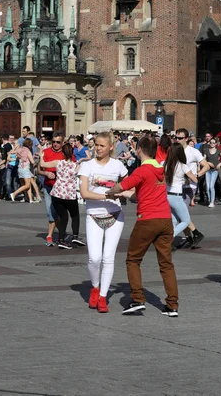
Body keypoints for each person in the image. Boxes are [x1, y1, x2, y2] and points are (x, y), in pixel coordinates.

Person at [105, 137, 180, 317]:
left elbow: (122, 185)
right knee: (166, 263)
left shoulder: (142, 170)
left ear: (139, 150)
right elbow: (141, 193)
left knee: (133, 259)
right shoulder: (160, 170)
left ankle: (137, 299)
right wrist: (125, 193)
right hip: (165, 220)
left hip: (147, 220)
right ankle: (172, 305)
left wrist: (109, 191)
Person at [79, 132, 128, 313]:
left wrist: (123, 193)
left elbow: (126, 184)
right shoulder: (87, 166)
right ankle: (95, 286)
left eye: (101, 145)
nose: (98, 148)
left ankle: (102, 296)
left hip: (115, 216)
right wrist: (108, 194)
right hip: (93, 215)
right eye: (96, 145)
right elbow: (85, 193)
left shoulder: (118, 166)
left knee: (108, 258)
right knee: (94, 258)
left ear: (110, 147)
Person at [41, 143, 84, 249]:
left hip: (57, 194)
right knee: (75, 216)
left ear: (62, 153)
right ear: (72, 153)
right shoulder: (76, 166)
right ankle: (75, 236)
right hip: (69, 195)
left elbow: (43, 164)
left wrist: (41, 155)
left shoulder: (58, 162)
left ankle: (61, 239)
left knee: (63, 216)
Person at [176, 128, 209, 248]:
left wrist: (197, 175)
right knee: (180, 214)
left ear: (186, 139)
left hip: (189, 186)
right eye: (176, 137)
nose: (177, 140)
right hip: (177, 186)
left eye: (180, 138)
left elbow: (206, 166)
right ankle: (191, 236)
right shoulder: (175, 150)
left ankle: (195, 234)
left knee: (181, 213)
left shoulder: (193, 151)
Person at [165, 142, 198, 248]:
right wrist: (185, 179)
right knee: (185, 220)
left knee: (174, 219)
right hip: (177, 196)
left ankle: (169, 243)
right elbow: (195, 179)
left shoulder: (165, 164)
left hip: (167, 195)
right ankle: (170, 236)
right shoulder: (183, 166)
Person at [39, 132, 67, 247]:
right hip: (48, 186)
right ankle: (52, 235)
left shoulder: (66, 154)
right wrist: (46, 173)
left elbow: (73, 167)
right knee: (50, 211)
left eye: (58, 142)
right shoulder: (45, 152)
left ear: (62, 143)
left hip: (61, 188)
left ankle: (56, 234)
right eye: (53, 142)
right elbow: (39, 170)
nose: (55, 144)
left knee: (59, 213)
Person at [10, 138, 38, 203]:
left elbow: (14, 154)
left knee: (25, 184)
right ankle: (14, 194)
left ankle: (29, 199)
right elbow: (32, 161)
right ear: (30, 145)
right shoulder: (28, 151)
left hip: (20, 168)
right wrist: (35, 160)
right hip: (25, 168)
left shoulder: (20, 149)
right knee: (27, 185)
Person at [204, 138, 221, 208]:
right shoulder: (206, 151)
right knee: (207, 187)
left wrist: (220, 164)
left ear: (216, 144)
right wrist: (207, 162)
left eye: (213, 142)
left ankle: (212, 202)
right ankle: (209, 200)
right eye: (211, 142)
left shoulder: (218, 151)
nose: (212, 144)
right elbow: (203, 159)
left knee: (211, 186)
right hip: (208, 170)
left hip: (215, 170)